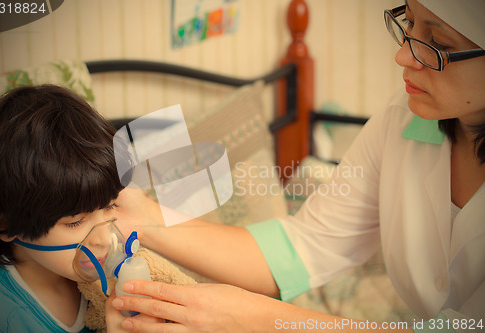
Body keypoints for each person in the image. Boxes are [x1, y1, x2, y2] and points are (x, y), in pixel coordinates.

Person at [107, 0, 485, 332]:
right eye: (410, 22)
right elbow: (302, 247)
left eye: (439, 44)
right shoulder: (403, 119)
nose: (403, 56)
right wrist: (146, 217)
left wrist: (257, 319)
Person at [0, 85, 138, 332]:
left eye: (110, 205)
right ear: (5, 223)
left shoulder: (114, 276)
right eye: (75, 222)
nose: (104, 239)